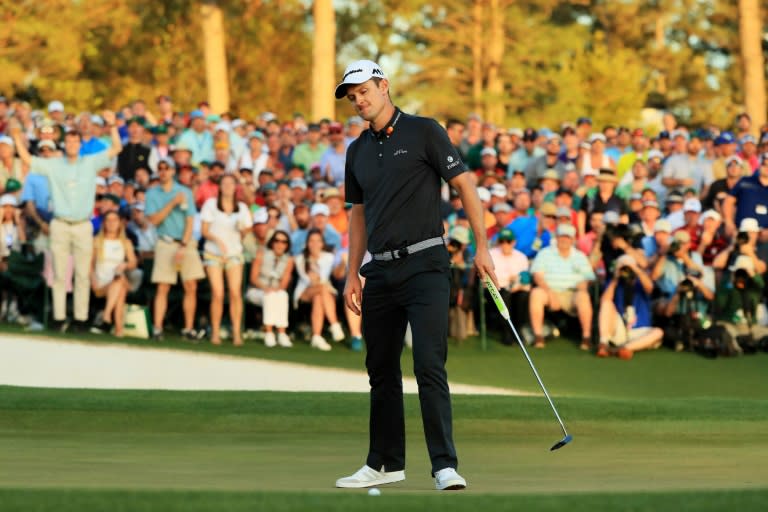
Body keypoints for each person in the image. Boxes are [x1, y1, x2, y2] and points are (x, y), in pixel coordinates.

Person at [334, 60, 495, 491]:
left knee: (428, 365)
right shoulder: (357, 151)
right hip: (380, 272)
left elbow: (464, 186)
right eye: (352, 97)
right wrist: (352, 274)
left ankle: (444, 465)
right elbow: (358, 216)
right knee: (380, 369)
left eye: (364, 91)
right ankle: (385, 463)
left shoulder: (425, 130)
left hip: (426, 265)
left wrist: (482, 245)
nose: (359, 101)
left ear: (384, 86)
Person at [9, 112, 123, 331]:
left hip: (82, 224)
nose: (72, 144)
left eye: (75, 141)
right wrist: (16, 137)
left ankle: (80, 319)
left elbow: (116, 148)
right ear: (64, 144)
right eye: (68, 141)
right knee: (60, 274)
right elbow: (28, 160)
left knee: (82, 274)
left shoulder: (90, 162)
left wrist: (111, 126)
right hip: (60, 223)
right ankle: (59, 317)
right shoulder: (54, 164)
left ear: (80, 144)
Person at [145, 154, 206, 341]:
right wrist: (172, 203)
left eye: (167, 169)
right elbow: (154, 219)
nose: (163, 172)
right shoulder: (153, 193)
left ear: (172, 171)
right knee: (163, 286)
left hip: (184, 242)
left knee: (191, 285)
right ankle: (157, 327)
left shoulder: (184, 192)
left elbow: (190, 220)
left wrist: (184, 245)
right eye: (161, 169)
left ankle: (188, 328)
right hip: (165, 241)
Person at [200, 173, 252, 345]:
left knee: (236, 293)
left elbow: (246, 231)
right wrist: (218, 241)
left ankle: (236, 332)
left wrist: (242, 229)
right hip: (213, 253)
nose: (228, 186)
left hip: (234, 254)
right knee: (218, 293)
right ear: (220, 186)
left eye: (231, 183)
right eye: (225, 183)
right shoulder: (211, 205)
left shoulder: (242, 208)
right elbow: (205, 230)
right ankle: (215, 331)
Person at [529, 224, 596, 350]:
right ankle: (538, 336)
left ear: (572, 240)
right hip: (549, 291)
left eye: (568, 237)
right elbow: (537, 276)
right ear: (557, 237)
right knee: (536, 294)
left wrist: (583, 285)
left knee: (583, 296)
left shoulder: (579, 256)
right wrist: (550, 293)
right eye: (562, 236)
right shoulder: (545, 253)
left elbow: (588, 277)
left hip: (572, 294)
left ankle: (586, 338)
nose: (564, 240)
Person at [596, 254, 663, 359]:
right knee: (606, 304)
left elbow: (650, 287)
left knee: (658, 332)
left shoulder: (640, 282)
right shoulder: (613, 282)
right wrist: (615, 279)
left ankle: (624, 348)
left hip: (639, 331)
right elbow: (605, 300)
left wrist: (636, 269)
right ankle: (603, 344)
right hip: (620, 329)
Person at [293, 228, 346, 350]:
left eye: (318, 241)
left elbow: (338, 275)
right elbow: (308, 280)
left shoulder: (328, 257)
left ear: (322, 243)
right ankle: (334, 324)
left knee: (319, 297)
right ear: (307, 243)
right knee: (322, 288)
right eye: (312, 241)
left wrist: (343, 263)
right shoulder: (300, 258)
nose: (315, 244)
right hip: (304, 292)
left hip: (323, 292)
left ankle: (316, 337)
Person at [89, 211, 137, 337]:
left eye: (114, 220)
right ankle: (118, 328)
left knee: (119, 281)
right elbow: (90, 264)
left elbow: (133, 263)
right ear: (104, 223)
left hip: (117, 279)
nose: (111, 223)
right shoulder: (96, 241)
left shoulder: (126, 242)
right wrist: (92, 277)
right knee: (120, 287)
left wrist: (125, 265)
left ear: (119, 223)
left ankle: (106, 317)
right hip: (101, 283)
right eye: (108, 220)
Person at [247, 230, 295, 348]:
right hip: (257, 290)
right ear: (272, 242)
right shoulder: (261, 254)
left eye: (283, 242)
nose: (280, 244)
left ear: (287, 245)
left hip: (276, 291)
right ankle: (268, 332)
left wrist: (275, 289)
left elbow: (284, 283)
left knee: (282, 295)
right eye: (277, 241)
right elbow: (253, 278)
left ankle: (281, 333)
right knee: (270, 296)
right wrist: (266, 288)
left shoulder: (289, 260)